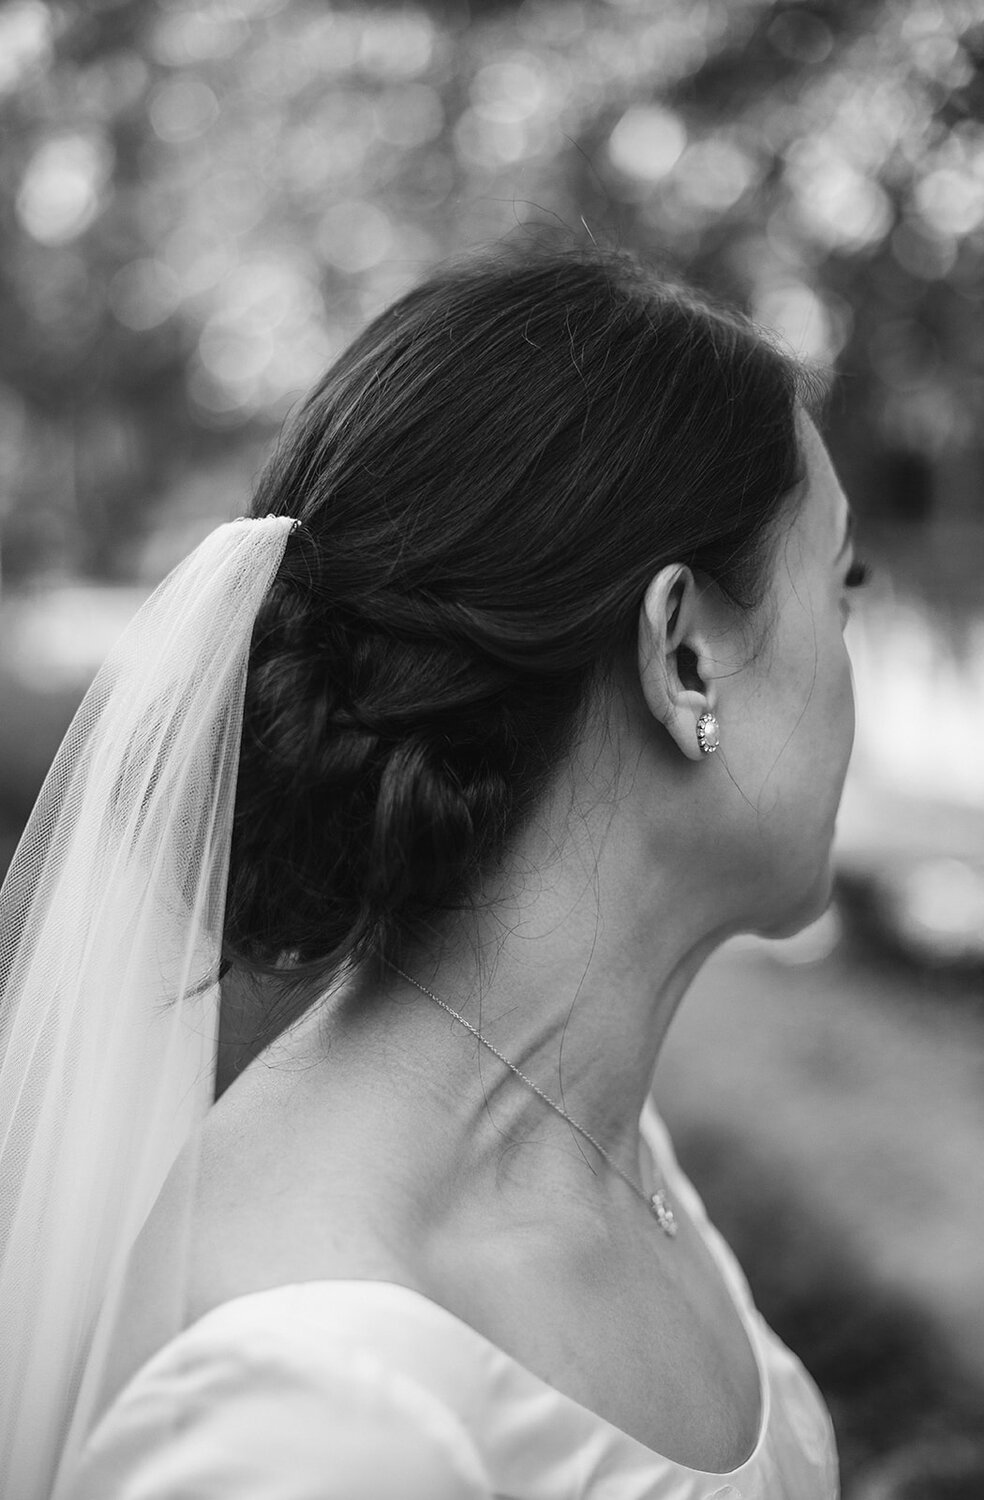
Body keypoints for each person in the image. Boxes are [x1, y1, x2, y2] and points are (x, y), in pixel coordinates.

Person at [0, 243, 864, 1498]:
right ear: (684, 657)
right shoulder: (312, 1413)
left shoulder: (605, 1135)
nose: (852, 660)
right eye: (841, 589)